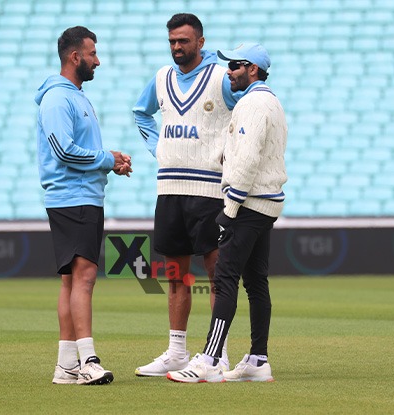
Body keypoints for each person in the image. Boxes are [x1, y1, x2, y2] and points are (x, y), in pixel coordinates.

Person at [167, 43, 288, 383]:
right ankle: (258, 360)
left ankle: (209, 359)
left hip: (248, 204)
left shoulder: (251, 103)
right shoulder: (271, 100)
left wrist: (230, 208)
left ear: (253, 69)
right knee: (255, 282)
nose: (229, 71)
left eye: (235, 65)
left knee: (224, 279)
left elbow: (247, 159)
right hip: (267, 201)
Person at [132, 13, 242, 376]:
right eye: (172, 42)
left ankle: (218, 352)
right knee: (176, 275)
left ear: (200, 41)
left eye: (183, 41)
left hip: (209, 190)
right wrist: (158, 149)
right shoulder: (162, 78)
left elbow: (246, 116)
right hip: (169, 188)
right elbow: (140, 113)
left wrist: (232, 152)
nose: (177, 47)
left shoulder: (219, 77)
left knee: (216, 274)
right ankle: (176, 350)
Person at [34, 26, 132, 386]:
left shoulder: (72, 96)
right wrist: (107, 159)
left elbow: (78, 150)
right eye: (92, 53)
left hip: (78, 196)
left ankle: (66, 364)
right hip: (74, 197)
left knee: (70, 281)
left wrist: (111, 161)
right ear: (75, 57)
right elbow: (63, 150)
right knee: (85, 277)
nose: (97, 60)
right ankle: (88, 359)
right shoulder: (59, 99)